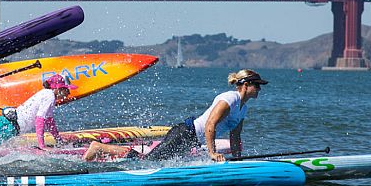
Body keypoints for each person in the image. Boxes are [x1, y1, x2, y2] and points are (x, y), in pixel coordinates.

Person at [83, 69, 268, 162]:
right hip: (185, 133)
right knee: (147, 162)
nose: (259, 89)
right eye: (257, 85)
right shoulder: (229, 98)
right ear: (245, 84)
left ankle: (103, 152)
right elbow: (211, 125)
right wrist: (212, 153)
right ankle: (98, 147)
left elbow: (235, 136)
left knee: (153, 162)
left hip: (191, 140)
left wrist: (237, 160)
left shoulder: (243, 108)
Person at [0, 74, 77, 150]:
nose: (68, 93)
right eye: (66, 90)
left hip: (11, 125)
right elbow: (40, 120)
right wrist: (42, 146)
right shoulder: (49, 96)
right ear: (58, 88)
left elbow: (50, 122)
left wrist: (59, 140)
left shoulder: (49, 95)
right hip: (9, 125)